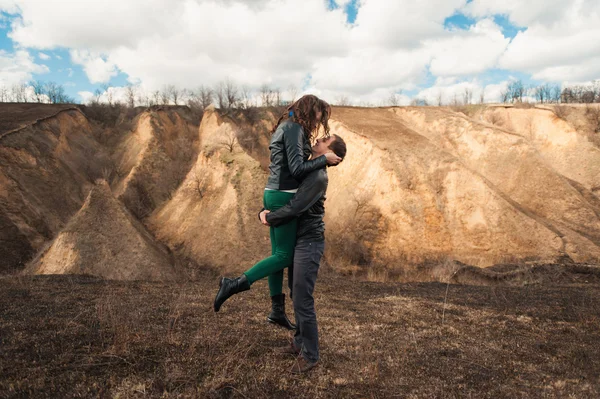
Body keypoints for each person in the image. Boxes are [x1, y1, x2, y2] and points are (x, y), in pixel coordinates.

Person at [213, 95, 341, 329]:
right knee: (284, 256)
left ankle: (277, 311)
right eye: (318, 117)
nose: (317, 124)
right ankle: (233, 284)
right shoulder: (293, 129)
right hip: (283, 193)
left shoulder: (289, 126)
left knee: (277, 255)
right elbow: (297, 168)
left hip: (274, 191)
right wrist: (323, 159)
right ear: (310, 111)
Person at [260, 133, 347, 374]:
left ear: (329, 152)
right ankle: (299, 342)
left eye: (325, 140)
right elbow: (286, 194)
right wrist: (264, 210)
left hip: (309, 242)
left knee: (302, 298)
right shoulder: (309, 169)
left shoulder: (318, 176)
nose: (318, 139)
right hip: (299, 240)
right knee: (295, 293)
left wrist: (270, 217)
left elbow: (296, 206)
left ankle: (311, 355)